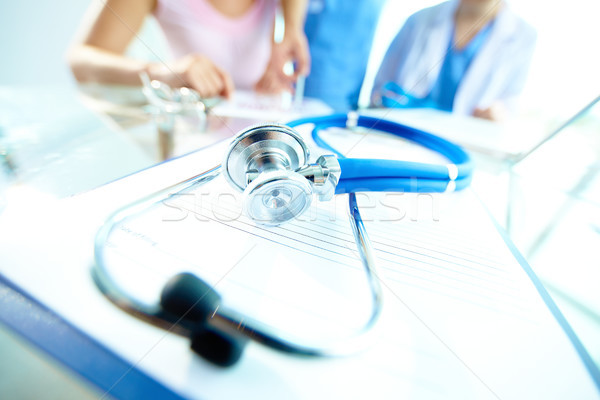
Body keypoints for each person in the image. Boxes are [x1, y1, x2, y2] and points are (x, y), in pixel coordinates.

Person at [68, 0, 310, 99]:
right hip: (190, 154)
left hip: (270, 149)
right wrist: (164, 74)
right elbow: (80, 59)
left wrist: (292, 26)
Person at [372, 0, 537, 121]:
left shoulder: (524, 37)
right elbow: (381, 88)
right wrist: (384, 101)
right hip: (403, 133)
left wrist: (498, 116)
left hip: (465, 144)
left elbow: (509, 105)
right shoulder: (419, 20)